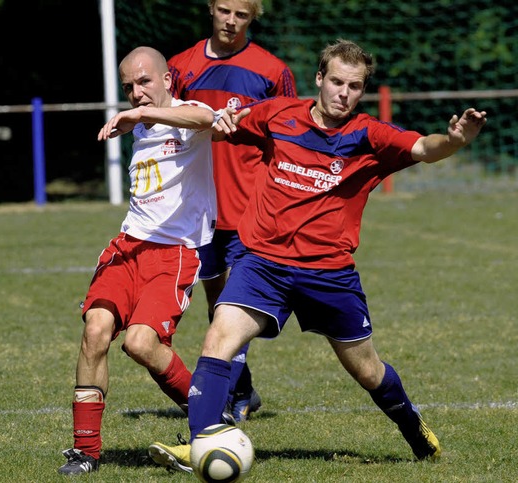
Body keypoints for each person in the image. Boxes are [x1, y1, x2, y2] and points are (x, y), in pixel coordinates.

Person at [148, 38, 487, 473]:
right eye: (337, 82)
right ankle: (200, 443)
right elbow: (223, 126)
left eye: (355, 86)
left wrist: (455, 140)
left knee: (367, 371)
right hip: (263, 264)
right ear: (319, 80)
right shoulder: (279, 115)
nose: (344, 93)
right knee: (218, 341)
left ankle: (411, 425)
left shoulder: (369, 135)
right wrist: (219, 120)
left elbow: (424, 148)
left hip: (329, 274)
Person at [57, 45, 240, 475]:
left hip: (173, 254)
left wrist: (142, 115)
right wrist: (140, 119)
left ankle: (209, 414)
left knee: (140, 343)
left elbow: (205, 119)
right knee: (95, 331)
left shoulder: (184, 113)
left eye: (144, 82)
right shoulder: (141, 123)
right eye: (129, 88)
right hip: (128, 246)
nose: (137, 93)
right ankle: (86, 452)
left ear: (166, 81)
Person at [167, 0, 298, 423]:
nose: (231, 20)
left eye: (241, 15)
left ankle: (226, 400)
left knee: (234, 304)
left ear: (252, 17)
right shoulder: (181, 66)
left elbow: (291, 136)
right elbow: (167, 129)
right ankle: (242, 388)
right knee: (214, 300)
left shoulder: (272, 71)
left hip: (251, 210)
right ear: (210, 8)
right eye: (224, 10)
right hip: (199, 208)